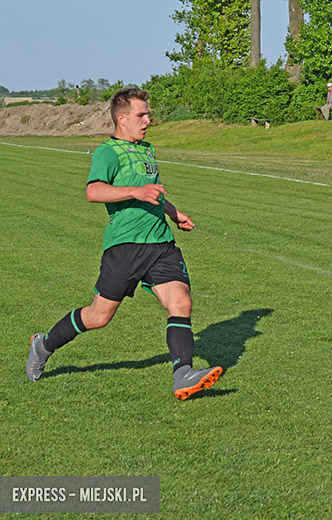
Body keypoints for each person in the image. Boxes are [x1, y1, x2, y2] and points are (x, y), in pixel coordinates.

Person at [26, 88, 223, 400]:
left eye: (147, 114)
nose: (148, 120)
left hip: (160, 243)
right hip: (125, 246)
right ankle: (44, 343)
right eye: (141, 115)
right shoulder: (108, 152)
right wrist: (134, 191)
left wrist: (172, 213)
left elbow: (151, 192)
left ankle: (183, 374)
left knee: (181, 302)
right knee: (98, 317)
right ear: (121, 119)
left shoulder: (146, 149)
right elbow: (94, 191)